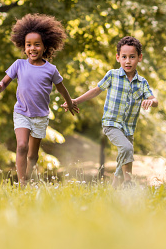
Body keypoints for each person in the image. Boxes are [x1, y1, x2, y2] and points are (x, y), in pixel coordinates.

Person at [0, 14, 78, 186]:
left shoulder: (51, 69)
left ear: (45, 47)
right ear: (23, 46)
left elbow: (61, 87)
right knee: (22, 145)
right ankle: (22, 183)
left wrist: (70, 101)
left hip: (40, 116)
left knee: (32, 154)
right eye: (28, 45)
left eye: (37, 45)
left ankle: (28, 176)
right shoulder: (18, 65)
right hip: (21, 112)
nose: (32, 48)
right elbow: (4, 82)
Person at [62, 36, 158, 187]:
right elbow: (96, 90)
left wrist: (150, 101)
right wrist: (75, 101)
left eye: (132, 57)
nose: (128, 61)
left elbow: (155, 101)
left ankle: (114, 191)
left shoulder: (142, 82)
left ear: (139, 58)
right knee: (127, 148)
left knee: (124, 158)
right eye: (124, 57)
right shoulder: (112, 75)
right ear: (118, 57)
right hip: (111, 124)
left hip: (129, 127)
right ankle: (128, 182)